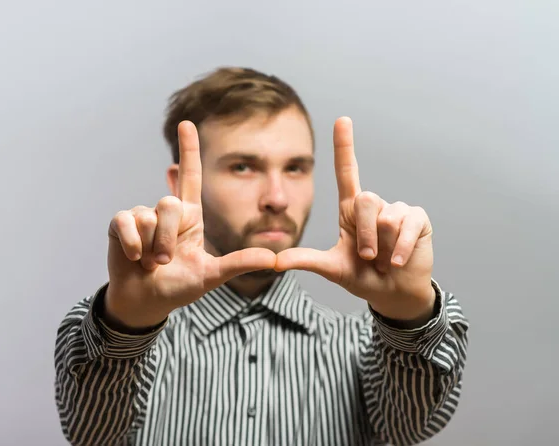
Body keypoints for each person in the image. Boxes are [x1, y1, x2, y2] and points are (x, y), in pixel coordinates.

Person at [54, 67, 469, 446]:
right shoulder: (116, 334)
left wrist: (408, 313)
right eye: (243, 167)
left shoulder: (364, 348)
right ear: (184, 185)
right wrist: (127, 324)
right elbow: (93, 435)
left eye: (295, 168)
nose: (277, 198)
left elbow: (410, 426)